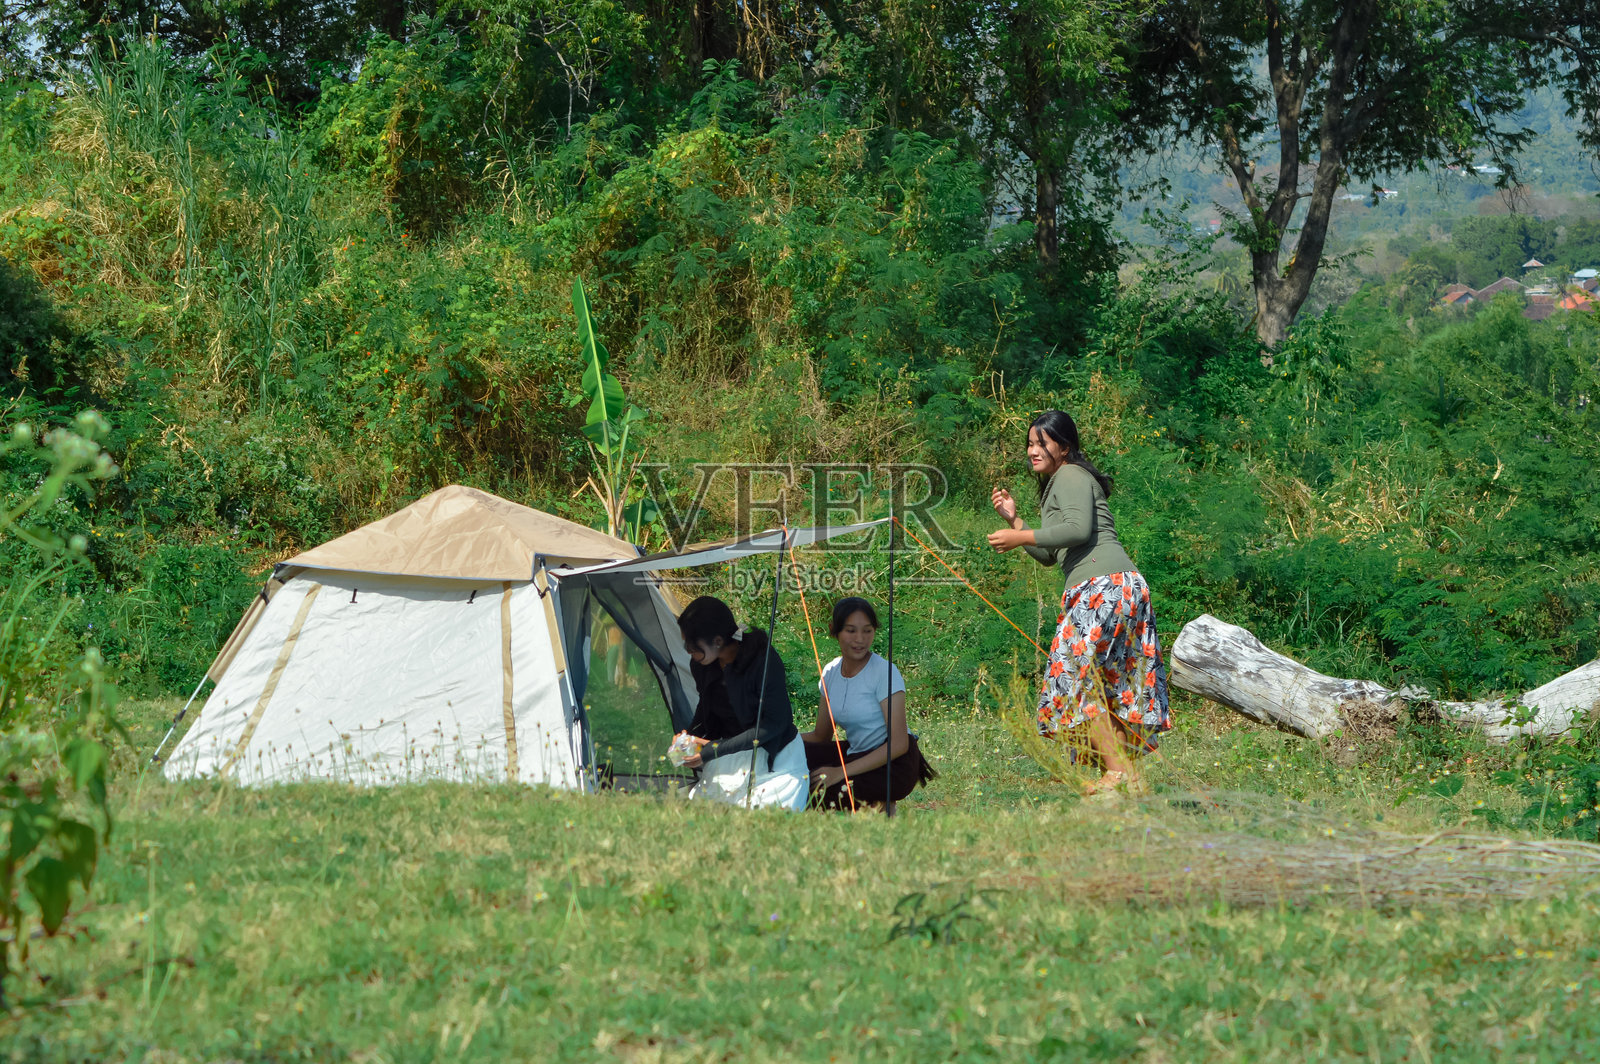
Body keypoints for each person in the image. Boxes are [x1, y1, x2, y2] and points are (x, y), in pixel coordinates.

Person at [987, 410, 1172, 796]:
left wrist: (1019, 537)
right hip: (1120, 585)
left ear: (1064, 447)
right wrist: (1018, 522)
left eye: (1042, 443)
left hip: (1102, 586)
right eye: (1030, 443)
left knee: (1073, 677)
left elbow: (1077, 530)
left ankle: (1119, 774)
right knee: (1109, 683)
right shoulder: (1061, 482)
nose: (1032, 450)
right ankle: (1125, 780)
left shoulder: (1069, 474)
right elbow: (1052, 553)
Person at [801, 597, 936, 810]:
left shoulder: (884, 672)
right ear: (834, 630)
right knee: (796, 757)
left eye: (867, 631)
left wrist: (840, 772)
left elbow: (899, 744)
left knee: (816, 790)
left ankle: (872, 817)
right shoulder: (831, 672)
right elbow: (821, 736)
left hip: (894, 764)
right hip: (857, 753)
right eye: (851, 630)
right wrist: (783, 739)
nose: (860, 639)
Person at [676, 595, 808, 810]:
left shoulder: (763, 661)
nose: (688, 651)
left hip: (776, 758)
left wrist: (710, 751)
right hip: (729, 755)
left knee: (762, 823)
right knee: (709, 820)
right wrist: (687, 736)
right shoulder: (702, 664)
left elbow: (774, 724)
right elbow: (707, 703)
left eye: (692, 645)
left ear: (717, 641)